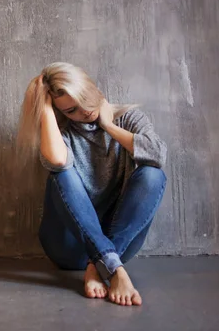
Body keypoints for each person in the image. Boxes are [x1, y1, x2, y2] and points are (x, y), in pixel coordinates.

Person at [16, 62, 167, 306]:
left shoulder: (128, 118)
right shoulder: (61, 133)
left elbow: (158, 156)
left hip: (119, 243)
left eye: (83, 100)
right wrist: (43, 106)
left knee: (153, 175)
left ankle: (100, 265)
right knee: (61, 174)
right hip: (69, 247)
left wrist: (109, 126)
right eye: (71, 110)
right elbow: (57, 161)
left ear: (91, 87)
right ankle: (112, 268)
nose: (83, 112)